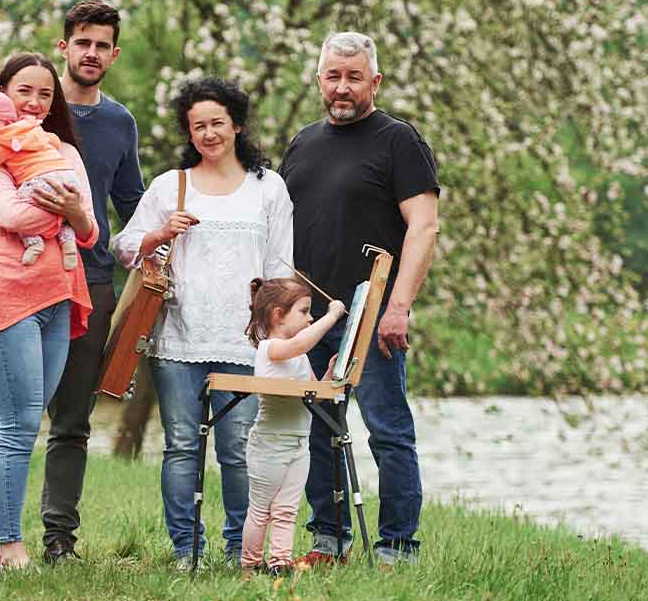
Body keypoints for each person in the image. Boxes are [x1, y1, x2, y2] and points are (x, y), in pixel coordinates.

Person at [0, 0, 145, 569]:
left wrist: (155, 245)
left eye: (102, 45)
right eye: (82, 42)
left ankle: (59, 542)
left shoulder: (117, 124)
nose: (91, 53)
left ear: (113, 54)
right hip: (15, 283)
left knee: (70, 423)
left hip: (85, 280)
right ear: (65, 45)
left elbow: (130, 204)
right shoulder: (18, 112)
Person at [111, 77, 294, 568]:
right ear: (188, 132)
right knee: (182, 447)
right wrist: (158, 232)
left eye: (217, 123)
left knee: (238, 450)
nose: (209, 134)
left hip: (243, 342)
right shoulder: (171, 185)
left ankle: (241, 548)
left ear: (237, 124)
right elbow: (124, 247)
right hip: (177, 338)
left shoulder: (268, 187)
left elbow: (280, 269)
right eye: (198, 126)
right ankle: (186, 549)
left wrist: (278, 340)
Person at [279, 31, 440, 566]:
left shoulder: (400, 141)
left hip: (371, 313)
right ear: (319, 79)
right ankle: (330, 540)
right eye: (333, 76)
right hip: (311, 317)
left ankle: (398, 546)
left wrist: (397, 306)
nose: (342, 87)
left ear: (375, 81)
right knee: (318, 428)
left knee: (387, 431)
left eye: (353, 77)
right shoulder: (302, 143)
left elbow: (424, 228)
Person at [0, 52, 98, 571]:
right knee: (15, 425)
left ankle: (5, 543)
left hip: (59, 296)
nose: (36, 103)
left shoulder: (63, 150)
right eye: (25, 91)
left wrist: (75, 213)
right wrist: (63, 209)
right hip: (9, 294)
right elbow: (13, 214)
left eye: (45, 94)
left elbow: (90, 231)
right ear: (3, 91)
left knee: (25, 423)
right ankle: (8, 547)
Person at [240, 277, 345, 576]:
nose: (310, 317)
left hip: (299, 445)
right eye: (304, 311)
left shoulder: (299, 357)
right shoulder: (270, 348)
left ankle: (279, 564)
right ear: (278, 314)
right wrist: (332, 316)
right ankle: (249, 566)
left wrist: (328, 375)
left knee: (287, 511)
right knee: (261, 512)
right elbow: (301, 342)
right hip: (269, 446)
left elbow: (315, 396)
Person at [0, 89, 81, 269]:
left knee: (19, 208)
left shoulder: (3, 137)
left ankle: (34, 242)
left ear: (7, 122)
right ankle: (68, 242)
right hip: (68, 177)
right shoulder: (31, 127)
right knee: (60, 212)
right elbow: (54, 141)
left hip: (41, 180)